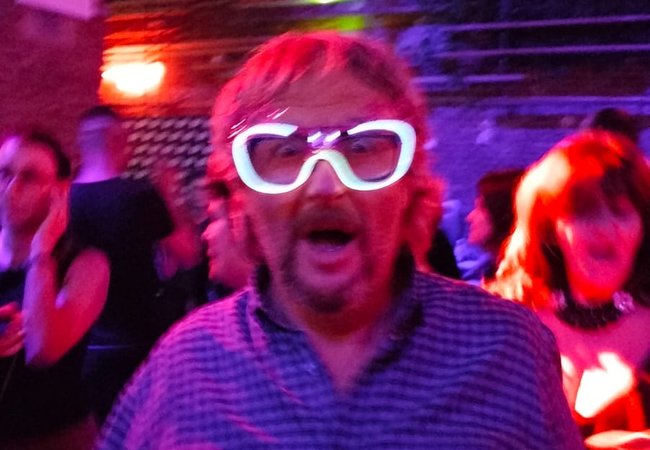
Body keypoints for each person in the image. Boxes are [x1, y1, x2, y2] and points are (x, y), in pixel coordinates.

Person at [98, 31, 582, 449]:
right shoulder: (184, 366)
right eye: (284, 151)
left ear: (410, 183)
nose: (325, 185)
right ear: (241, 196)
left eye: (364, 146)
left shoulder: (508, 351)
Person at [489, 131, 650, 438]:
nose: (606, 228)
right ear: (549, 229)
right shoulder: (505, 323)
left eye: (621, 211)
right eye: (585, 212)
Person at [70, 106, 200, 423]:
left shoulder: (64, 199)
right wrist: (168, 194)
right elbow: (189, 253)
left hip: (79, 345)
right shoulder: (139, 195)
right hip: (137, 341)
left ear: (81, 143)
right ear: (118, 141)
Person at [0, 131, 109, 449]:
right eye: (4, 173)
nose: (11, 188)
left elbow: (43, 349)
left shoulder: (86, 264)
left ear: (60, 191)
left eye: (30, 177)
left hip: (57, 438)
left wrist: (41, 251)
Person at [465, 168, 523, 283]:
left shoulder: (523, 284)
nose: (469, 217)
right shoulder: (491, 272)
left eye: (481, 208)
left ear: (503, 214)